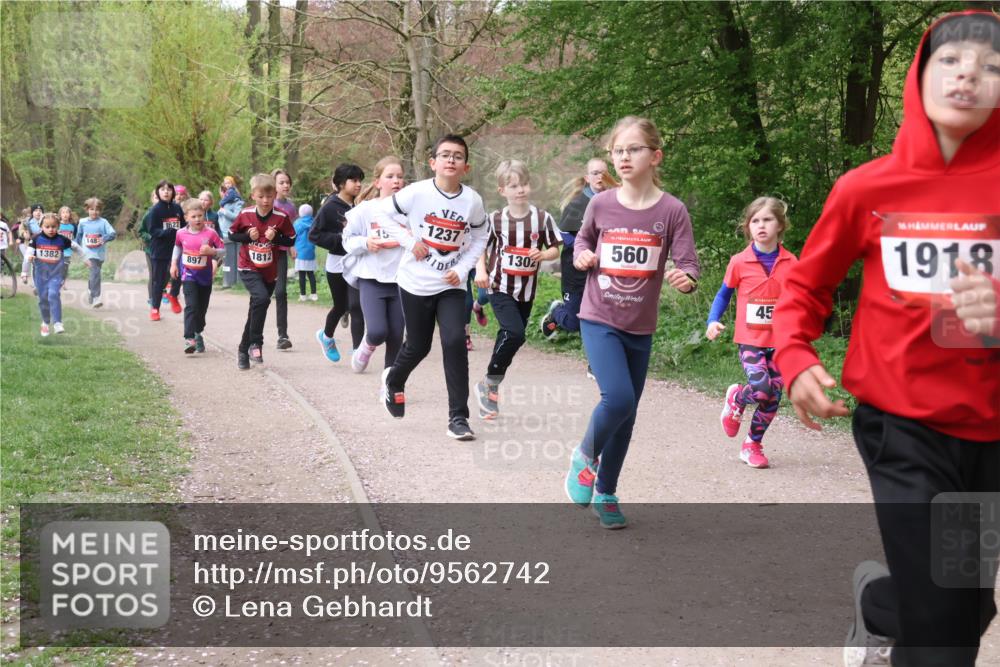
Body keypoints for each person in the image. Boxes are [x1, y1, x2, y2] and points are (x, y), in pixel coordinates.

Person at [770, 11, 1000, 667]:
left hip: (989, 430)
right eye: (951, 61)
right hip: (903, 426)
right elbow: (805, 287)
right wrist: (794, 356)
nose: (969, 75)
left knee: (966, 602)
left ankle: (878, 599)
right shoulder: (867, 187)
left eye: (991, 66)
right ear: (919, 77)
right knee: (942, 634)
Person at [564, 116, 700, 529]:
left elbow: (689, 262)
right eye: (618, 150)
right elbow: (583, 240)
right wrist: (582, 256)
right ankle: (583, 456)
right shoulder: (600, 203)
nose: (623, 157)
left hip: (640, 325)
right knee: (618, 398)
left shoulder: (672, 210)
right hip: (599, 315)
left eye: (633, 149)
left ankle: (606, 491)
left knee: (628, 412)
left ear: (655, 156)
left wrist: (687, 279)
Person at [376, 134, 489, 441]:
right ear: (433, 162)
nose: (451, 160)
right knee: (418, 346)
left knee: (454, 341)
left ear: (466, 166)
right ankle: (394, 381)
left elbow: (481, 236)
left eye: (458, 156)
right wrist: (410, 242)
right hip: (414, 282)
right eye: (445, 155)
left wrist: (462, 268)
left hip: (450, 284)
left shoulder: (472, 201)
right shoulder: (416, 193)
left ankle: (458, 418)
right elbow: (381, 214)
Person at [705, 197, 798, 469]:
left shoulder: (792, 262)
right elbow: (723, 295)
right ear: (748, 227)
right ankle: (737, 397)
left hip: (781, 342)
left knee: (774, 397)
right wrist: (713, 320)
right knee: (760, 390)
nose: (761, 225)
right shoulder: (739, 262)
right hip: (750, 340)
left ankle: (752, 445)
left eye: (767, 219)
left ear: (780, 225)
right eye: (755, 220)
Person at [472, 159, 560, 419]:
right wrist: (480, 271)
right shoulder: (495, 220)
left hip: (527, 289)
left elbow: (556, 246)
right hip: (500, 286)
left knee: (510, 335)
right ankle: (490, 382)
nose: (520, 189)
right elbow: (480, 247)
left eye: (523, 184)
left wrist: (544, 255)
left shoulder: (542, 218)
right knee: (515, 333)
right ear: (503, 191)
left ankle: (489, 387)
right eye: (513, 186)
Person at [341, 155, 408, 373]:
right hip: (372, 278)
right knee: (378, 331)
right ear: (378, 182)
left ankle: (390, 381)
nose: (396, 180)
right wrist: (366, 242)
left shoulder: (410, 210)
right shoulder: (365, 210)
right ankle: (366, 347)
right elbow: (347, 240)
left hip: (401, 280)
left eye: (400, 176)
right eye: (390, 176)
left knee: (397, 334)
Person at [540, 158, 615, 340]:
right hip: (575, 271)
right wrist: (582, 249)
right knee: (574, 323)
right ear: (587, 178)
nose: (600, 177)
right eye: (595, 173)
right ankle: (556, 311)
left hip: (603, 271)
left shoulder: (615, 201)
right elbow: (563, 235)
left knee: (601, 318)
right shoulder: (576, 204)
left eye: (603, 173)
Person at [226, 173, 296, 369]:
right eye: (261, 196)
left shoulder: (281, 217)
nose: (265, 201)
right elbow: (232, 234)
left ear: (274, 195)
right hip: (248, 266)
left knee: (256, 307)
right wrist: (247, 235)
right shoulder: (245, 214)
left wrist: (277, 238)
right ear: (253, 196)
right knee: (262, 299)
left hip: (269, 270)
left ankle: (242, 350)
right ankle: (256, 343)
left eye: (269, 196)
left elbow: (291, 239)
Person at [311, 163, 366, 362]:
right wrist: (340, 240)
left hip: (357, 263)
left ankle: (358, 351)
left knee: (356, 306)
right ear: (342, 184)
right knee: (341, 306)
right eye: (354, 180)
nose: (358, 184)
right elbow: (314, 235)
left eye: (360, 180)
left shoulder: (358, 206)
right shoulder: (330, 206)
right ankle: (326, 337)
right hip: (337, 263)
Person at [171, 198, 224, 354]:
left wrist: (212, 252)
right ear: (186, 217)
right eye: (193, 216)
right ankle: (189, 338)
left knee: (201, 310)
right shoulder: (181, 233)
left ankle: (198, 332)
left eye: (200, 215)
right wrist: (174, 264)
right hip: (188, 275)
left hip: (205, 277)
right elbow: (177, 248)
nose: (197, 219)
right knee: (191, 306)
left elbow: (223, 250)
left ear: (204, 215)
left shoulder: (211, 233)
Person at [27, 213, 76, 336]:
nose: (51, 229)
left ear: (58, 226)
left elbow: (76, 246)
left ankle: (58, 323)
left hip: (56, 274)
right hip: (41, 275)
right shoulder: (36, 238)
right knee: (43, 299)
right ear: (42, 227)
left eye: (54, 227)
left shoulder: (61, 239)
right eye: (47, 227)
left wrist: (85, 258)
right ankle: (45, 322)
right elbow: (27, 255)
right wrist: (24, 270)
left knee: (53, 294)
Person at [147, 180, 185, 321]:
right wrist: (166, 232)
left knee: (179, 273)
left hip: (176, 248)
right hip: (160, 249)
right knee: (159, 280)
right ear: (158, 192)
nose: (166, 191)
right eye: (162, 189)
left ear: (173, 192)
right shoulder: (155, 210)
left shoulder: (177, 208)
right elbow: (152, 230)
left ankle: (173, 295)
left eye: (169, 189)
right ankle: (155, 308)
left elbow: (184, 226)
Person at [270, 168, 297, 349]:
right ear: (274, 185)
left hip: (280, 253)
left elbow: (291, 230)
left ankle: (283, 336)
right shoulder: (267, 203)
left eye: (287, 182)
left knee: (280, 292)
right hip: (263, 253)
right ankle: (253, 335)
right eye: (282, 182)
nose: (286, 185)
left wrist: (292, 246)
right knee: (261, 295)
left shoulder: (291, 207)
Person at [75, 197, 117, 309]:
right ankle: (96, 298)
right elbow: (78, 236)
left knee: (94, 273)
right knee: (95, 272)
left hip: (100, 253)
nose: (94, 212)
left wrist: (104, 238)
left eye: (97, 209)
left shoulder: (104, 222)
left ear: (100, 210)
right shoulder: (82, 222)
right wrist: (77, 249)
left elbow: (113, 234)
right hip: (87, 253)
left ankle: (90, 290)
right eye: (92, 209)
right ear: (87, 209)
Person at [217, 176, 244, 289]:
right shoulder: (223, 204)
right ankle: (227, 281)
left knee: (237, 259)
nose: (224, 193)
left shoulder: (238, 202)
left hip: (235, 234)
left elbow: (237, 217)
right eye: (223, 191)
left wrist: (224, 212)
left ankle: (238, 282)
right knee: (227, 260)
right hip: (224, 236)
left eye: (226, 191)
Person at [293, 203, 317, 301]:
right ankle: (314, 294)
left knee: (302, 274)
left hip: (300, 252)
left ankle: (303, 295)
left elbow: (293, 236)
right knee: (311, 274)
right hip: (311, 252)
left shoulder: (297, 223)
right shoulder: (314, 222)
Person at [56, 206, 78, 289]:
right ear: (60, 215)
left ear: (70, 215)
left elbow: (75, 237)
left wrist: (74, 245)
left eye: (67, 212)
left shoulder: (73, 226)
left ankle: (63, 282)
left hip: (68, 250)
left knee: (65, 267)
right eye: (63, 212)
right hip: (58, 250)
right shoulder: (57, 225)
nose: (65, 214)